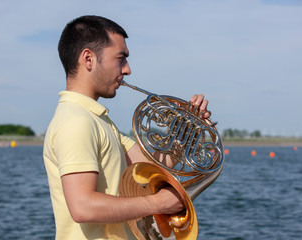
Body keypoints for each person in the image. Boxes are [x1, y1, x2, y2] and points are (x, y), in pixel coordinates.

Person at [43, 15, 212, 240]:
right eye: (121, 58)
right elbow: (82, 207)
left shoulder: (96, 119)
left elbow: (148, 167)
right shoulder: (77, 121)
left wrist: (186, 131)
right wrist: (159, 203)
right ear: (88, 59)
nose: (128, 69)